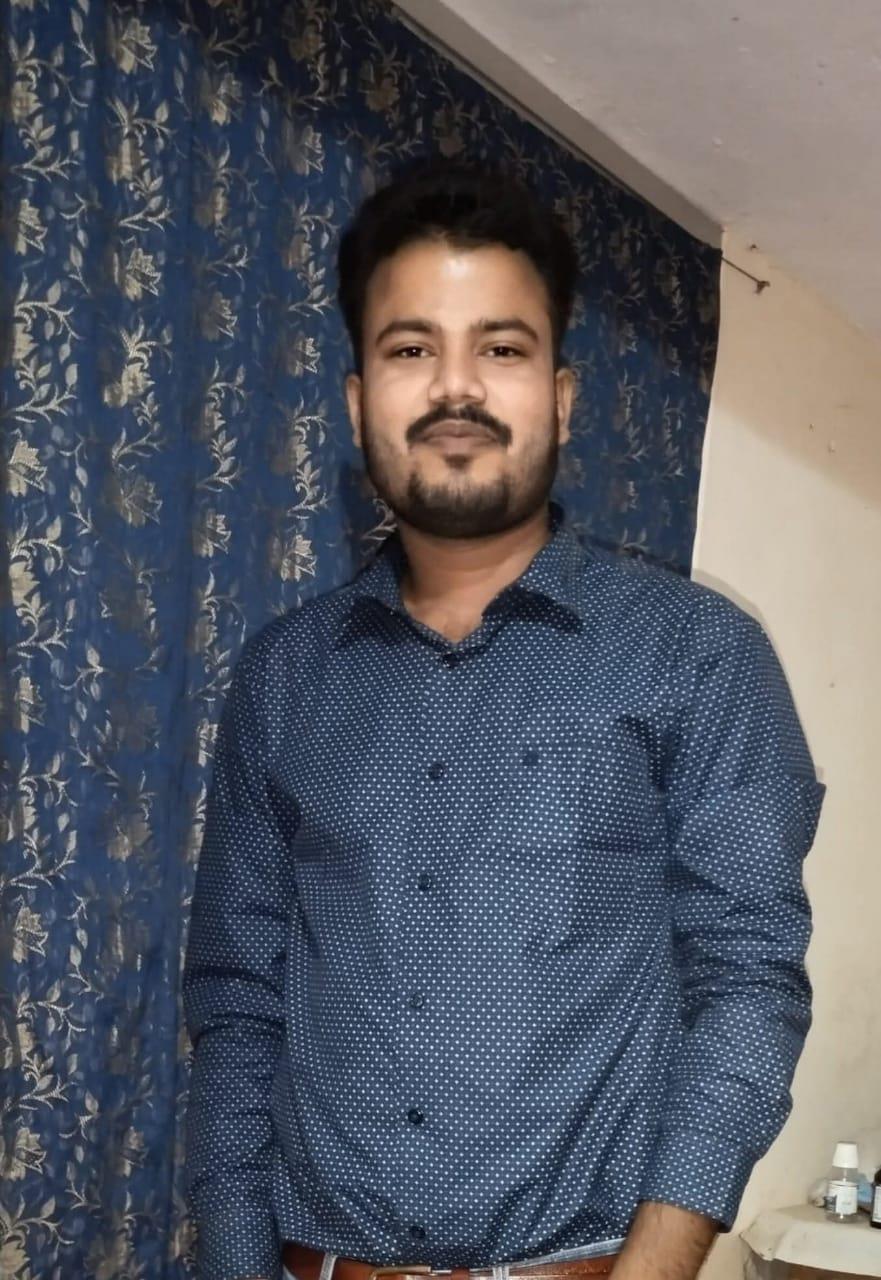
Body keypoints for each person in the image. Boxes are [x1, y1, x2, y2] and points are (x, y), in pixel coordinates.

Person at [183, 160, 825, 1280]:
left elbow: (746, 979)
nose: (455, 388)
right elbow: (238, 1005)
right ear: (357, 401)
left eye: (501, 348)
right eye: (410, 348)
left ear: (560, 395)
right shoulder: (284, 678)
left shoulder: (696, 655)